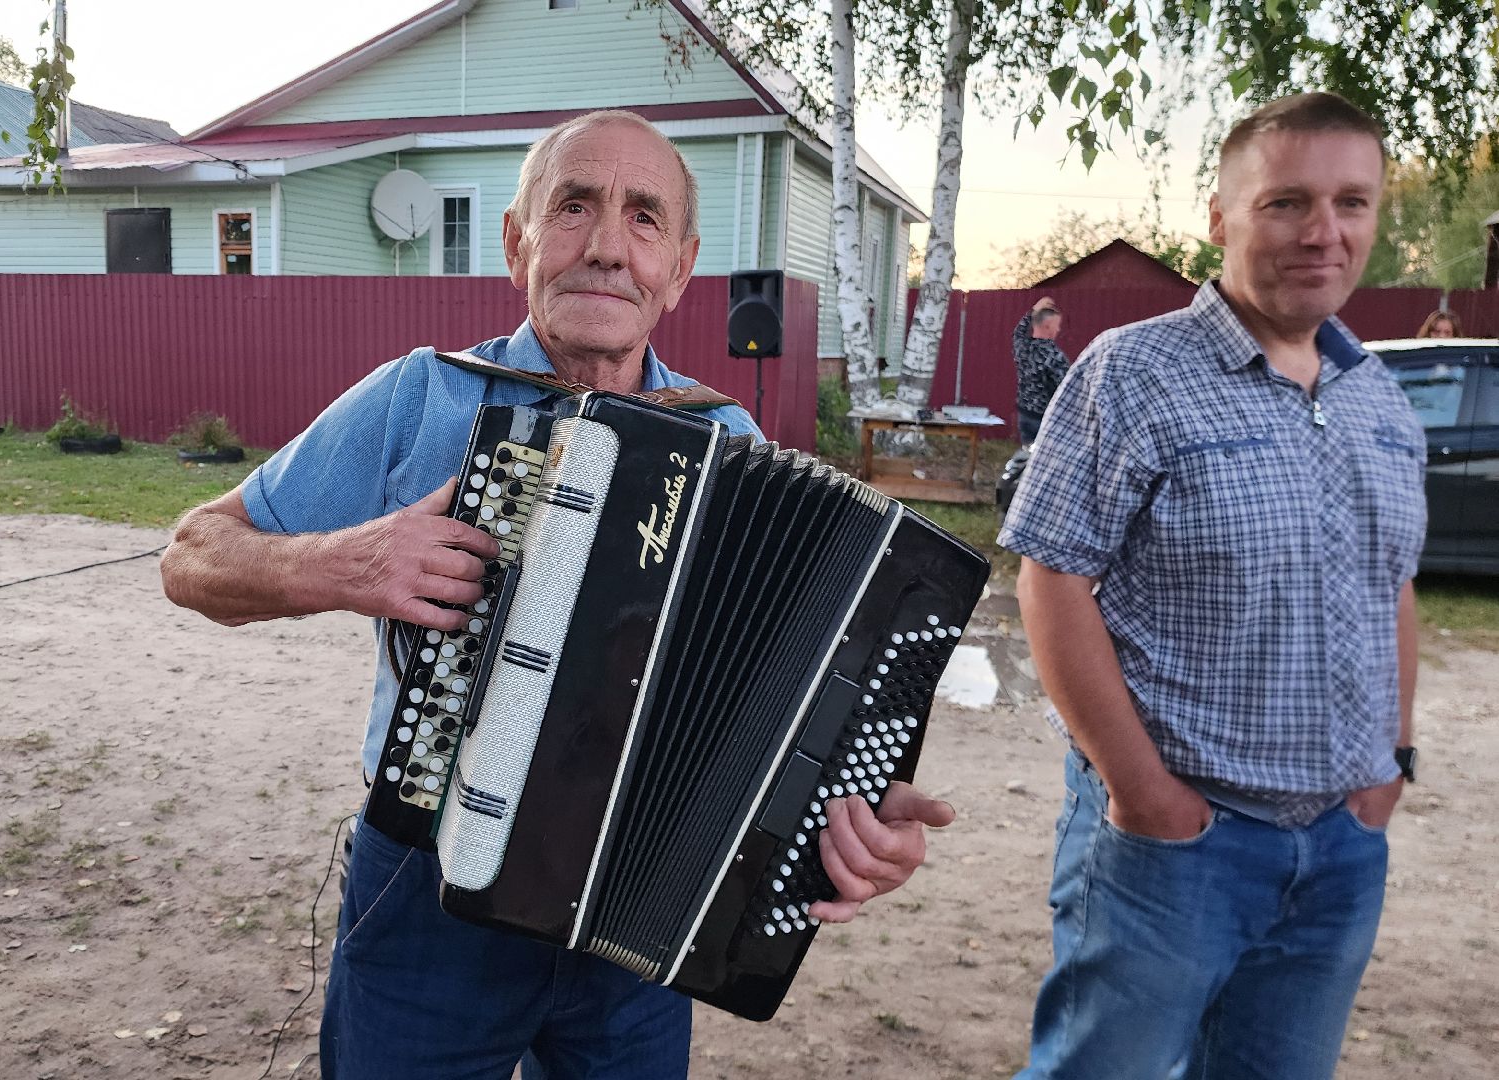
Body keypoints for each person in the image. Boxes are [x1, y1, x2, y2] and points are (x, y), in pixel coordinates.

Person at [160, 109, 955, 1080]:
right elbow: (195, 554)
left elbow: (785, 688)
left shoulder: (732, 440)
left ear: (680, 267)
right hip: (427, 889)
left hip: (645, 891)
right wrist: (338, 564)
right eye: (573, 206)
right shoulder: (423, 397)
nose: (608, 247)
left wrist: (852, 801)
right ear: (517, 240)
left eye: (643, 218)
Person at [999, 91, 1425, 1080]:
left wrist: (1388, 765)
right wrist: (1145, 795)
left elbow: (1390, 584)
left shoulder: (1382, 400)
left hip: (1338, 853)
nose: (1323, 232)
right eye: (1286, 202)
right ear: (1221, 217)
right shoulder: (1130, 373)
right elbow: (1052, 579)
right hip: (1173, 850)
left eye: (1351, 203)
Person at [1012, 296, 1070, 442]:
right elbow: (1067, 386)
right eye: (1057, 325)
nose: (1058, 329)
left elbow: (1018, 332)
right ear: (1047, 325)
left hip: (1024, 414)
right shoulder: (1054, 355)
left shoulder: (1022, 347)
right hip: (1044, 418)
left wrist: (1033, 310)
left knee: (1028, 456)